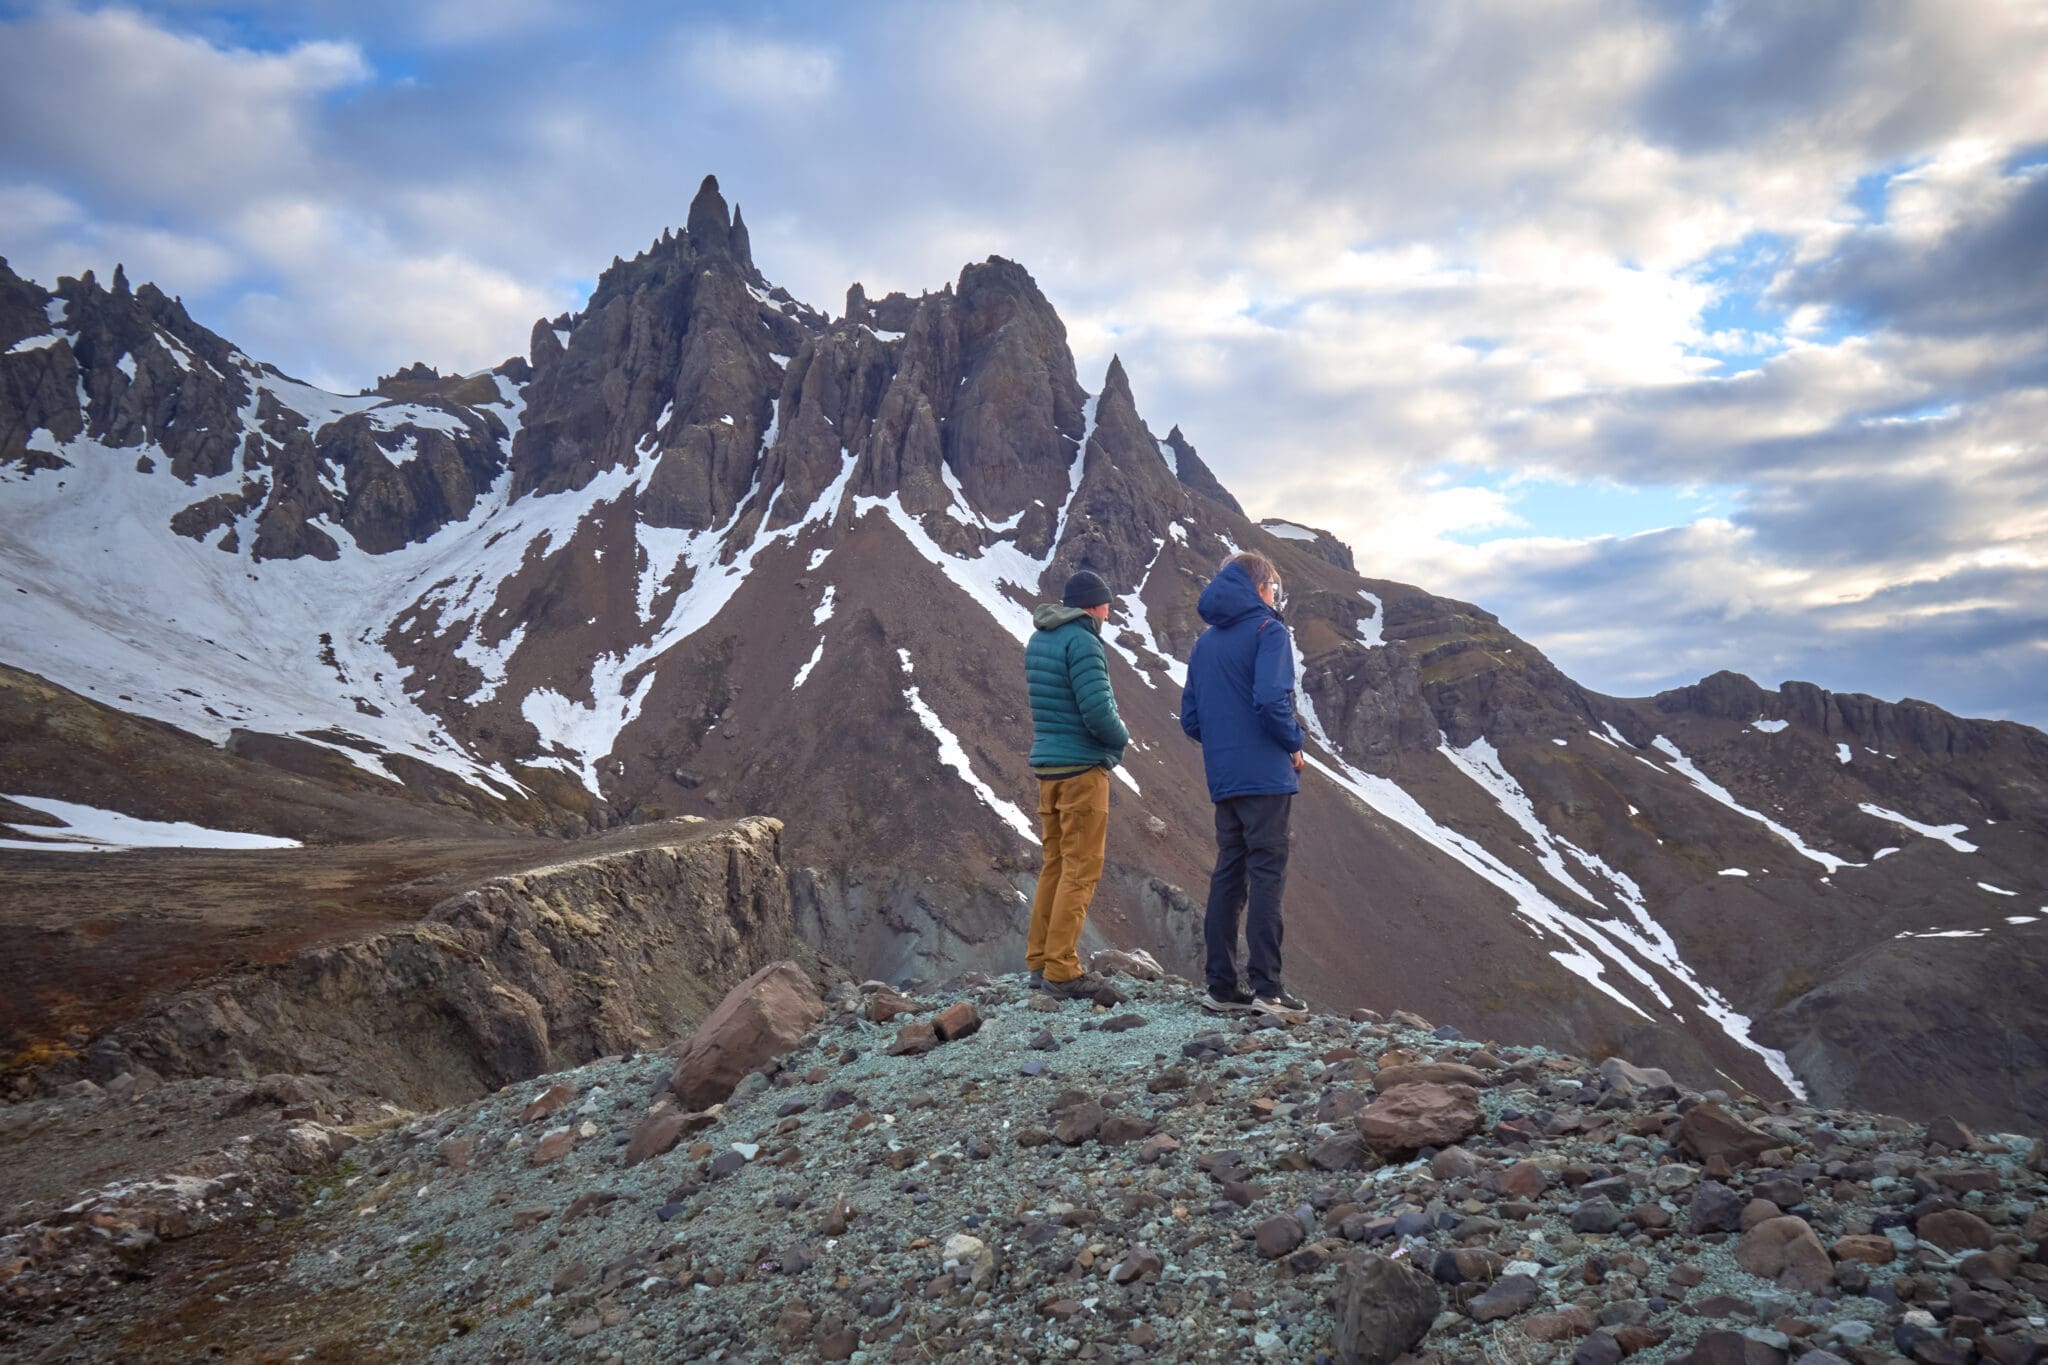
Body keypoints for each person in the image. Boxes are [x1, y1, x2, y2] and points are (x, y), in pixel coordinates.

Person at [1179, 551, 1309, 1014]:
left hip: (1225, 777)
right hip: (1266, 777)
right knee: (1267, 874)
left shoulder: (1204, 643)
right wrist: (1293, 743)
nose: (1276, 597)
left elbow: (1191, 719)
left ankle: (1220, 987)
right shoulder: (1268, 631)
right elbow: (1272, 699)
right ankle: (1268, 990)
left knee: (1229, 874)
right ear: (1260, 589)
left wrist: (1225, 741)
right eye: (1273, 589)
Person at [1023, 569, 1130, 1000]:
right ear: (1093, 605)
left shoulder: (1041, 638)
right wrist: (1122, 736)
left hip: (1048, 768)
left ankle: (1040, 961)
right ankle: (1063, 969)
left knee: (1055, 864)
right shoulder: (1083, 640)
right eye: (1106, 604)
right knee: (1081, 869)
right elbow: (1097, 710)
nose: (1108, 612)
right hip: (1081, 770)